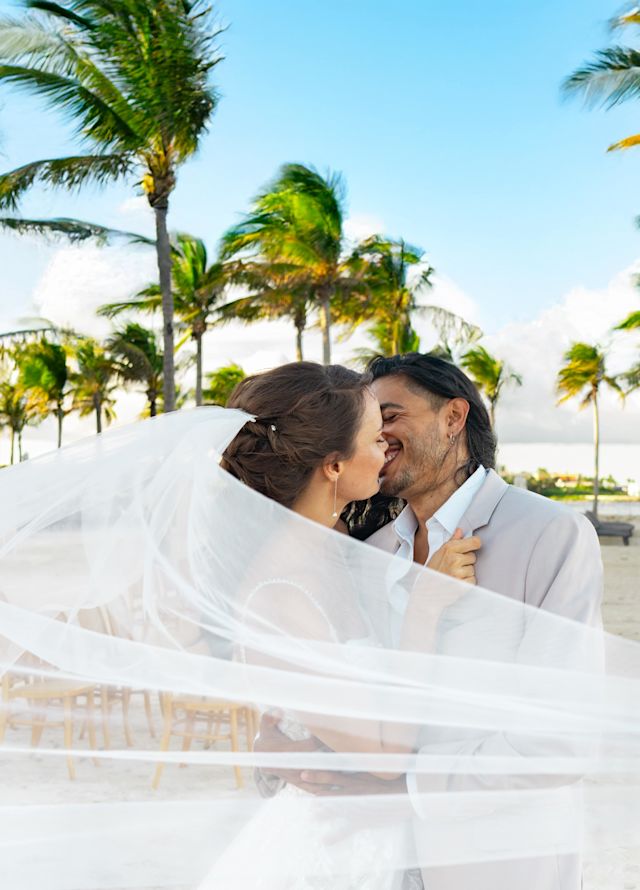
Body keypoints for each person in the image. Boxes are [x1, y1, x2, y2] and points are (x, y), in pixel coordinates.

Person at [257, 353, 603, 890]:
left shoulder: (549, 535)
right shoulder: (365, 552)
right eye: (372, 424)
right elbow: (339, 692)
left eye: (390, 415)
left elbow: (560, 742)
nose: (380, 434)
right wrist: (276, 745)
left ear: (453, 419)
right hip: (370, 861)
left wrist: (405, 791)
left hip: (497, 863)